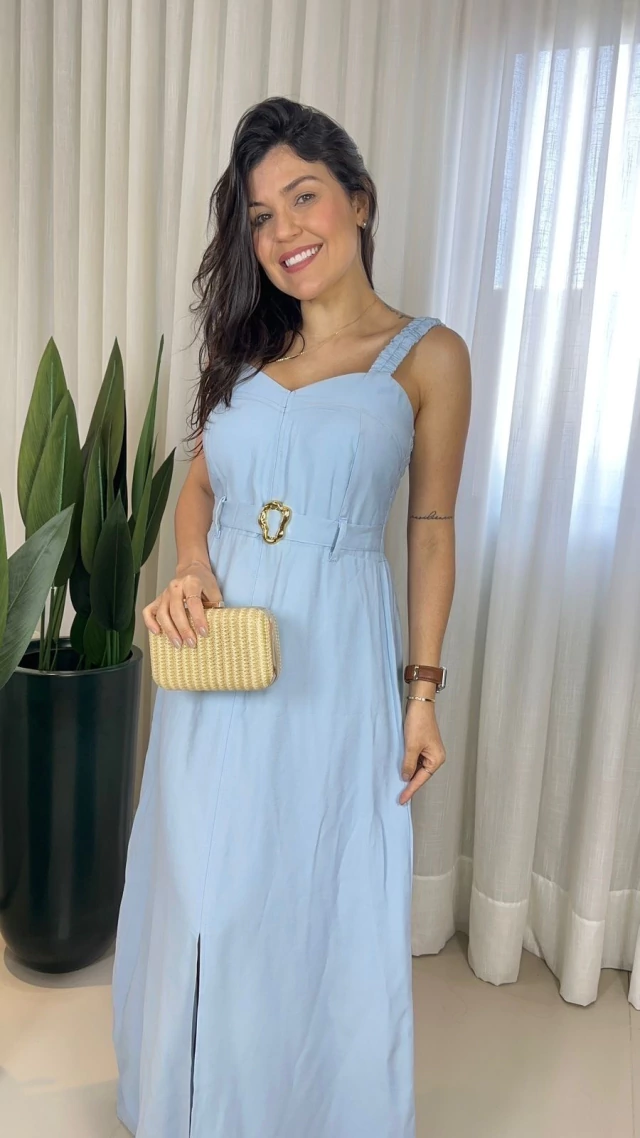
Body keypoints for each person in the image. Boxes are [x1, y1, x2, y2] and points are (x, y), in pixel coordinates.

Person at [111, 95, 471, 1138]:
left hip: (330, 658)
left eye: (303, 198)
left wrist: (422, 691)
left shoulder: (427, 355)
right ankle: (189, 1106)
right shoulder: (243, 351)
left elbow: (431, 529)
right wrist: (190, 566)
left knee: (305, 884)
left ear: (359, 199)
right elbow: (199, 488)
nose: (283, 232)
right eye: (261, 217)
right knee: (203, 884)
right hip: (216, 652)